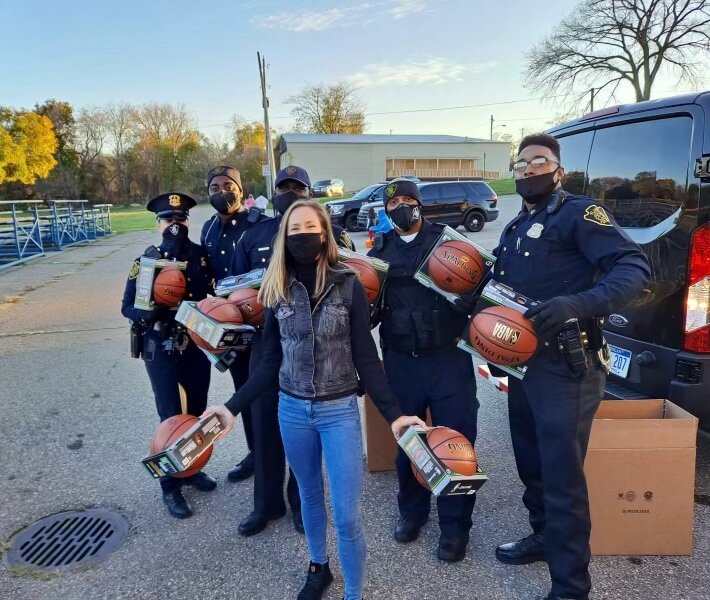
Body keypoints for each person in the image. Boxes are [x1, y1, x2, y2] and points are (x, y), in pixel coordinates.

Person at [204, 199, 424, 600]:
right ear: (284, 238)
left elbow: (366, 357)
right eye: (295, 229)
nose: (303, 235)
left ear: (324, 234)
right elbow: (269, 361)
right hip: (292, 410)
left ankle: (353, 591)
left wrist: (395, 415)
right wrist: (230, 408)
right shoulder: (275, 289)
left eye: (311, 227)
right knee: (308, 496)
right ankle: (318, 567)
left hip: (338, 411)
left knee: (346, 515)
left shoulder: (348, 283)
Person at [493, 134, 651, 600]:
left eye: (538, 161)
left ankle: (570, 587)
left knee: (562, 477)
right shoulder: (516, 226)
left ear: (557, 169)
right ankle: (543, 537)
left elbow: (633, 267)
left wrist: (578, 304)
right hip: (523, 366)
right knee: (531, 463)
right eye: (520, 164)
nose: (528, 170)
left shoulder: (579, 213)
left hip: (567, 366)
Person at [230, 165, 354, 538]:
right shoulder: (254, 235)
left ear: (308, 192)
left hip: (315, 356)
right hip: (267, 347)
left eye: (297, 187)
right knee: (266, 432)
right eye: (283, 187)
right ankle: (266, 505)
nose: (290, 193)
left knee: (305, 438)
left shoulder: (331, 235)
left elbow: (351, 283)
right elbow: (230, 287)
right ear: (275, 191)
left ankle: (303, 505)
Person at [367, 178, 479, 562]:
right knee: (409, 444)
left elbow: (481, 290)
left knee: (457, 445)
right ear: (386, 210)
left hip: (449, 360)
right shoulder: (379, 252)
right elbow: (368, 311)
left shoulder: (451, 245)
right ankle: (411, 513)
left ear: (420, 204)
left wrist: (470, 299)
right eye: (394, 201)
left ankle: (454, 528)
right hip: (402, 361)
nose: (402, 206)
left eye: (408, 200)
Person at [121, 193, 216, 519]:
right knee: (171, 418)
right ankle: (169, 486)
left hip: (194, 346)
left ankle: (191, 468)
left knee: (198, 411)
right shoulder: (145, 262)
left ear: (188, 221)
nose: (175, 225)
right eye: (168, 219)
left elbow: (215, 297)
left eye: (180, 219)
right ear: (157, 223)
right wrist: (149, 312)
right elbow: (126, 306)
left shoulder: (201, 257)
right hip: (160, 347)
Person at [201, 166, 269, 484]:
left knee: (267, 396)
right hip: (228, 330)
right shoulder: (208, 230)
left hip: (258, 326)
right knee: (242, 392)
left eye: (228, 185)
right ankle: (256, 454)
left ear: (241, 190)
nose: (221, 191)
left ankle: (275, 458)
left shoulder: (259, 226)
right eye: (215, 187)